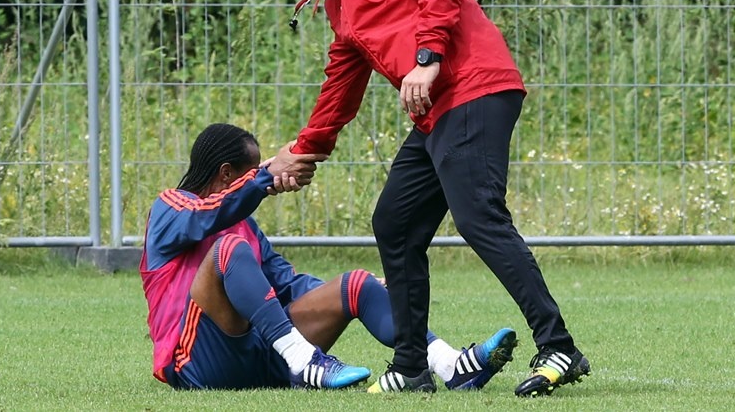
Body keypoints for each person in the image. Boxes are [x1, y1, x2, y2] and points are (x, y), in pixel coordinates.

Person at [256, 0, 590, 397]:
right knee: (395, 222)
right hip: (435, 112)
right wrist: (304, 151)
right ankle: (412, 367)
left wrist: (427, 57)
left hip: (473, 86)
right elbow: (342, 82)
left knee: (479, 217)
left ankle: (559, 347)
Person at [140, 122, 517, 391]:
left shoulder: (245, 227)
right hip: (196, 365)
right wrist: (265, 177)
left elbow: (285, 283)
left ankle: (448, 364)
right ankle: (305, 362)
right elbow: (206, 216)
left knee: (355, 284)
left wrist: (360, 293)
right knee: (228, 251)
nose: (255, 176)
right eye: (249, 171)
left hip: (264, 359)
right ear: (227, 174)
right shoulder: (171, 207)